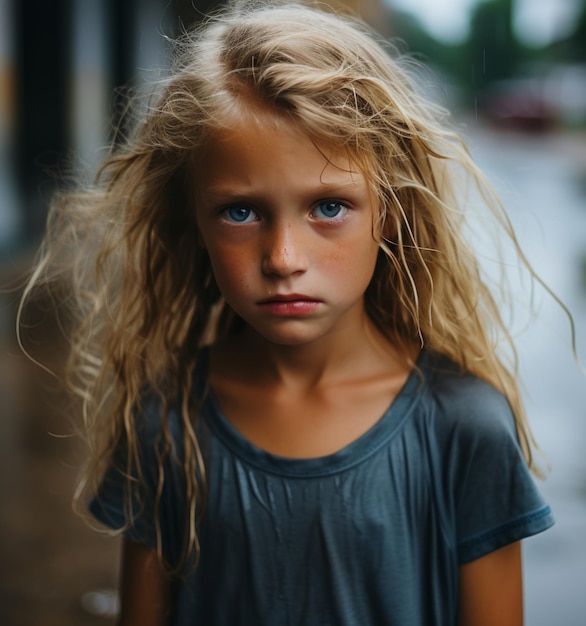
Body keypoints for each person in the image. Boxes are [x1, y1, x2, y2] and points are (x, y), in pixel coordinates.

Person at [19, 2, 555, 624]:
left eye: (329, 207)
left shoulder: (463, 428)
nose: (283, 258)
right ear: (193, 219)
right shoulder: (168, 423)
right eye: (241, 212)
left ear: (393, 209)